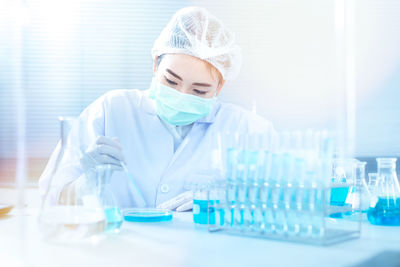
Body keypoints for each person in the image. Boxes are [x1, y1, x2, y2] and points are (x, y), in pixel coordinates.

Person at [39, 6, 275, 212]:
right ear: (155, 64)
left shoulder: (248, 130)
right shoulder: (110, 110)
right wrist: (86, 184)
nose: (181, 97)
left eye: (199, 91)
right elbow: (48, 201)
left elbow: (285, 204)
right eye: (171, 82)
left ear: (220, 85)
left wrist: (236, 200)